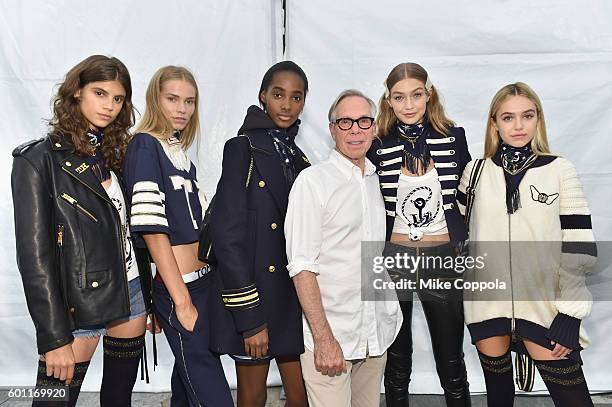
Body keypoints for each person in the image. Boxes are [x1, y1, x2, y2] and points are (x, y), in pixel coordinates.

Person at [11, 54, 151, 407]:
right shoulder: (38, 161)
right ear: (76, 93)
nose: (109, 106)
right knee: (52, 401)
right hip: (77, 307)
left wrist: (149, 295)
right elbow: (35, 259)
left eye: (118, 99)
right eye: (100, 94)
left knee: (118, 399)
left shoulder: (116, 154)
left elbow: (131, 231)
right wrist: (53, 337)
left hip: (130, 293)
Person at [457, 82, 596, 407]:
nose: (518, 126)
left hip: (545, 309)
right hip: (485, 305)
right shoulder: (474, 173)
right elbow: (457, 231)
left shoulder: (560, 170)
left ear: (538, 119)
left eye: (527, 116)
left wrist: (571, 314)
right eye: (508, 117)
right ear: (494, 123)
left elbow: (579, 245)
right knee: (499, 400)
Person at [122, 66, 233, 406]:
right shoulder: (144, 145)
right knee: (211, 389)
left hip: (202, 283)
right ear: (155, 99)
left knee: (188, 382)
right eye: (172, 99)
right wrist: (181, 300)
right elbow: (153, 230)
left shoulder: (178, 150)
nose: (182, 108)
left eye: (189, 101)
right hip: (180, 286)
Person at [285, 89, 403, 407]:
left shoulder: (377, 181)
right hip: (332, 339)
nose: (355, 129)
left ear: (374, 127)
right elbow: (301, 266)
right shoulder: (312, 183)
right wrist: (324, 339)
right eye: (345, 121)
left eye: (363, 121)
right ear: (332, 127)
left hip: (375, 336)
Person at [366, 62, 472, 406]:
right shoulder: (376, 143)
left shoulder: (453, 138)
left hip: (441, 257)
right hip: (393, 259)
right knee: (396, 360)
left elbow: (469, 195)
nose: (408, 105)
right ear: (389, 100)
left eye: (416, 95)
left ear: (429, 95)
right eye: (399, 97)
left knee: (451, 357)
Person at [209, 60, 309, 407]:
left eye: (296, 98)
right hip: (256, 299)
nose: (286, 104)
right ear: (262, 96)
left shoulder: (298, 158)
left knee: (302, 394)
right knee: (252, 397)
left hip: (292, 300)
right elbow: (227, 236)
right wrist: (249, 319)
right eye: (278, 94)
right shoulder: (243, 149)